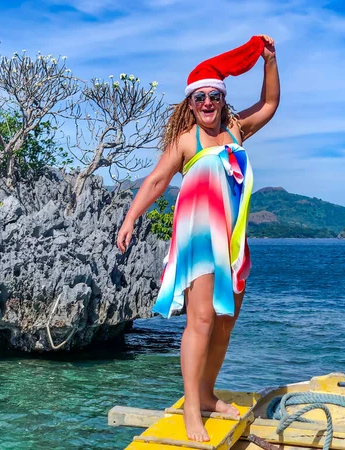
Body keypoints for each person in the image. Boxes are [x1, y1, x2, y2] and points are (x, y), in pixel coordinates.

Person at [116, 35, 279, 442]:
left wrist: (269, 61)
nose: (207, 103)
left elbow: (271, 103)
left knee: (225, 321)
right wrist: (131, 218)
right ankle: (191, 406)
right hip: (198, 240)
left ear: (222, 99)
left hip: (232, 241)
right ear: (191, 103)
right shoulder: (186, 140)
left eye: (214, 96)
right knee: (201, 320)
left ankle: (206, 394)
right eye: (199, 97)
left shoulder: (237, 130)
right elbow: (156, 181)